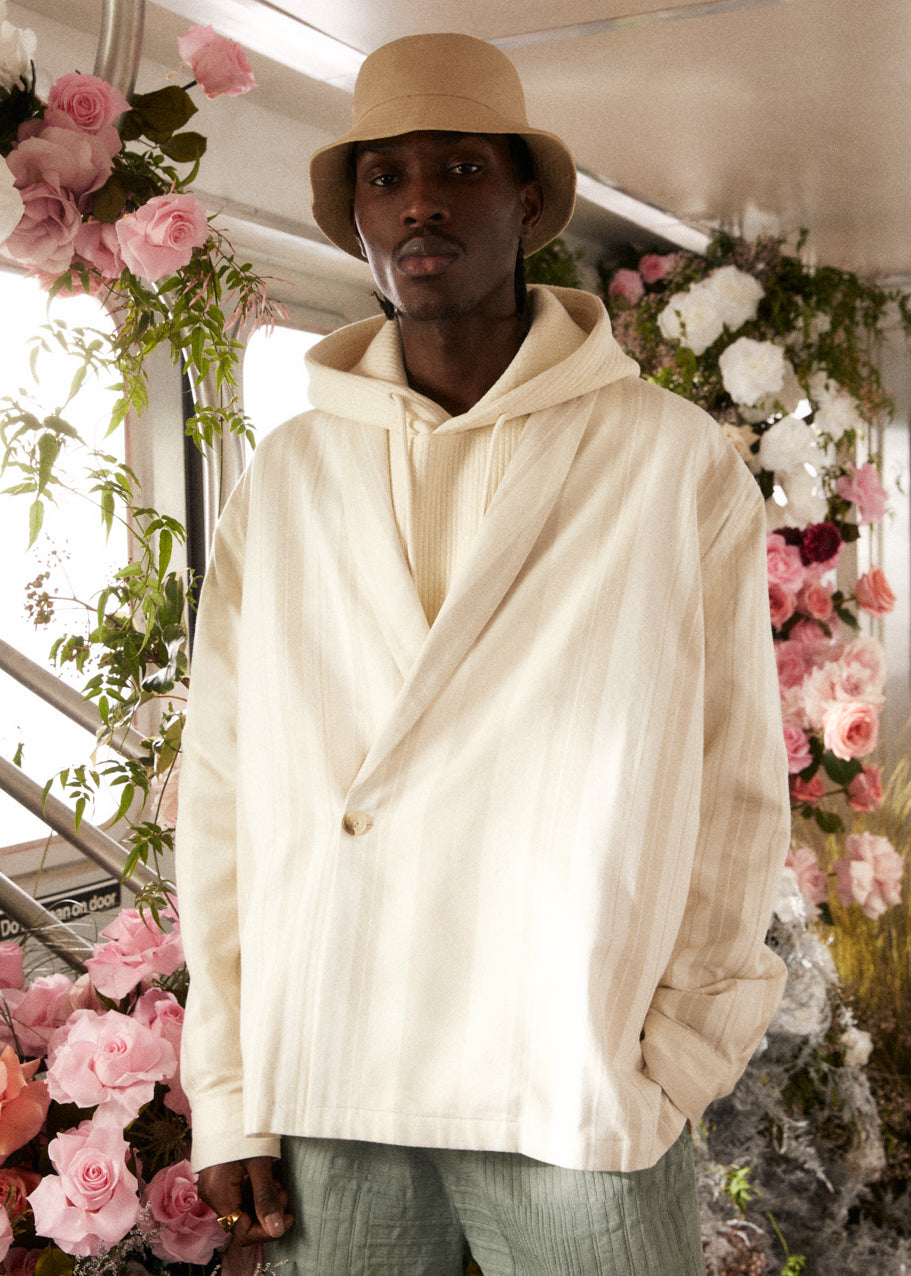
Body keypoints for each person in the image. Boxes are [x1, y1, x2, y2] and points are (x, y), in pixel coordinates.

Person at [176, 32, 791, 1276]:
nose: (419, 202)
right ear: (358, 223)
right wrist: (230, 1091)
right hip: (338, 1062)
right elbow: (225, 799)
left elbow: (733, 786)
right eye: (384, 177)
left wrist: (676, 1051)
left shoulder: (666, 462)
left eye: (458, 167)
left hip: (567, 1066)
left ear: (526, 202)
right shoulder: (286, 480)